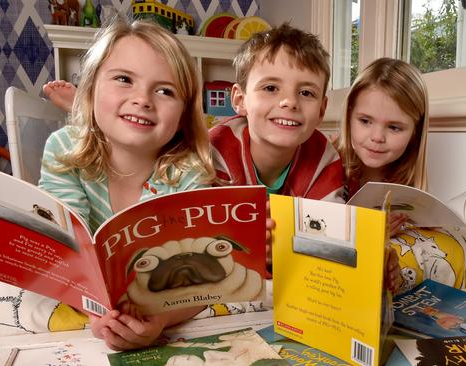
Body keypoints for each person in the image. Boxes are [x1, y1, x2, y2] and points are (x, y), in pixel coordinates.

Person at [38, 17, 215, 351]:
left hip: (158, 301)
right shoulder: (64, 149)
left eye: (165, 91)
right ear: (89, 91)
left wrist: (161, 318)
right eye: (124, 79)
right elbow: (62, 251)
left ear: (182, 116)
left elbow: (200, 285)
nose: (143, 99)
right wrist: (92, 307)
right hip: (85, 300)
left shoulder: (190, 172)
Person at [209, 23, 344, 202]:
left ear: (321, 110)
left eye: (306, 92)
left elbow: (328, 223)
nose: (290, 102)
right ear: (240, 100)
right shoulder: (212, 152)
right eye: (271, 88)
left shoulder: (324, 158)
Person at [335, 58, 429, 294]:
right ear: (349, 116)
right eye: (365, 121)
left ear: (414, 133)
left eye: (394, 127)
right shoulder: (326, 166)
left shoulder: (406, 189)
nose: (377, 137)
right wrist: (370, 232)